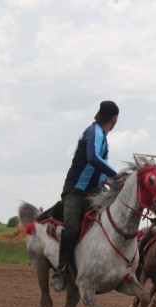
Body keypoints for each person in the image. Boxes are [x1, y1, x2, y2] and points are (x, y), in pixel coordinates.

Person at [51, 100, 120, 292]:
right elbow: (92, 158)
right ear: (114, 120)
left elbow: (98, 170)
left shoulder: (103, 137)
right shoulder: (94, 132)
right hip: (75, 191)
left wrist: (115, 183)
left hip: (95, 192)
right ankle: (60, 270)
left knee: (114, 219)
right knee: (71, 229)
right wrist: (116, 176)